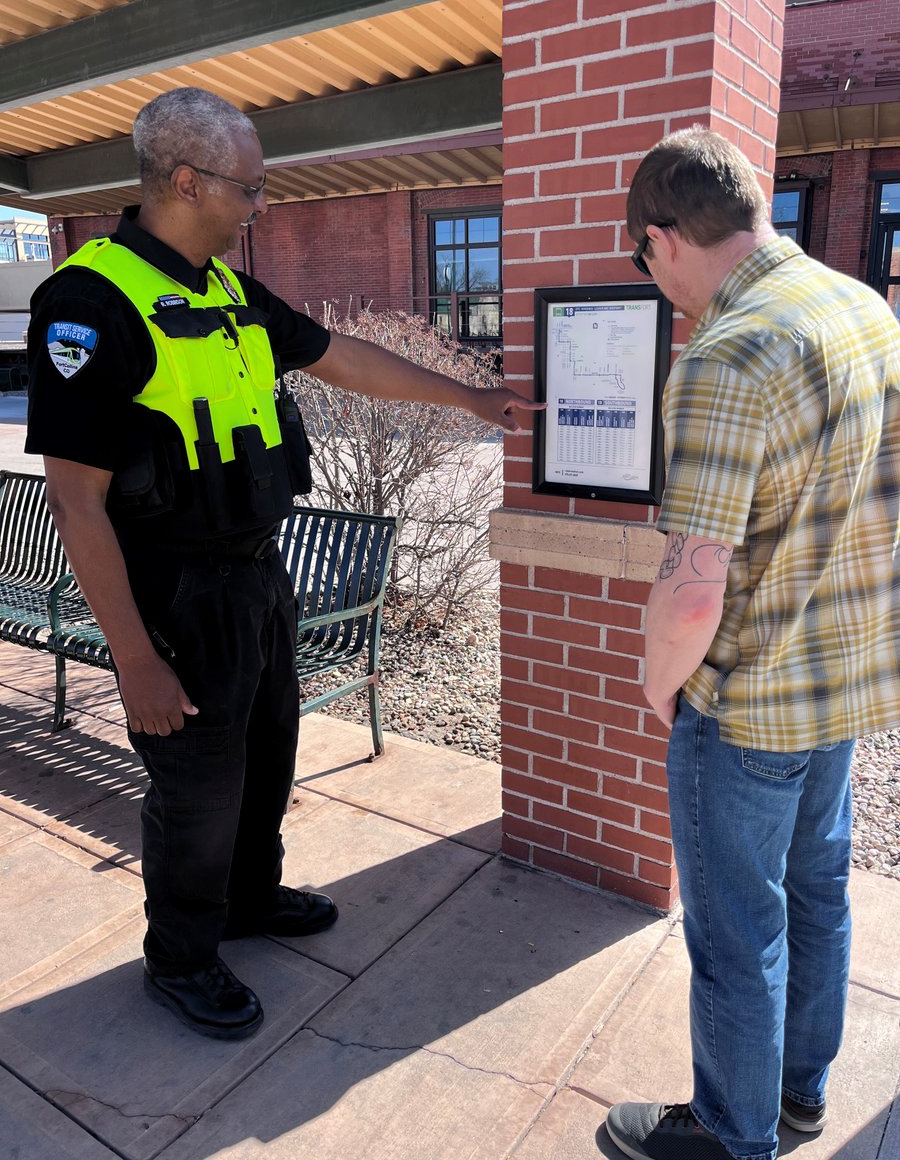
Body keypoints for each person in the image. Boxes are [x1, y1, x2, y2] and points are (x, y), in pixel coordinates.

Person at [24, 87, 540, 1042]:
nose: (259, 206)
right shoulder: (89, 305)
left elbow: (337, 355)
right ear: (185, 180)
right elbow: (76, 499)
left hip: (255, 573)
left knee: (268, 754)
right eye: (249, 190)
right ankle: (179, 956)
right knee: (197, 783)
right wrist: (135, 658)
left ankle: (250, 898)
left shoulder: (223, 289)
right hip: (174, 587)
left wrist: (469, 399)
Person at [604, 127, 899, 1160]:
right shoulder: (864, 308)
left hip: (749, 708)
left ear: (661, 238)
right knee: (818, 898)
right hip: (846, 687)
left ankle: (735, 1135)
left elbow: (693, 589)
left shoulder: (728, 353)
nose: (656, 286)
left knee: (736, 936)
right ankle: (801, 1096)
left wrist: (657, 689)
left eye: (644, 264)